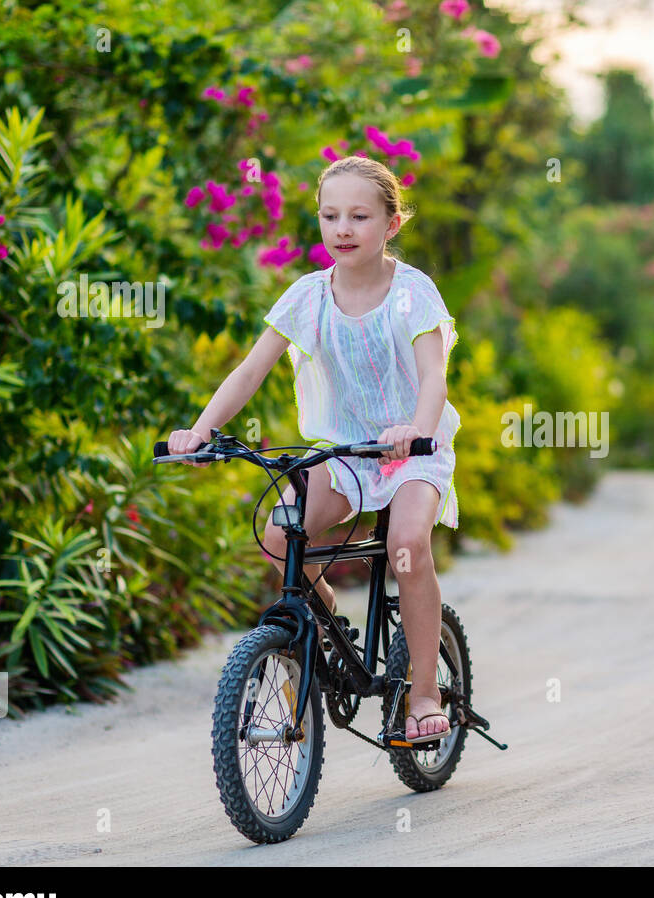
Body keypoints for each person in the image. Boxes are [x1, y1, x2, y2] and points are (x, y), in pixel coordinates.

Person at [165, 156, 461, 741]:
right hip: (347, 452)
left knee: (405, 544)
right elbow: (251, 371)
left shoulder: (412, 293)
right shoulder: (307, 295)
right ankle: (323, 631)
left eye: (359, 216)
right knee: (280, 537)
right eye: (330, 216)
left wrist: (414, 430)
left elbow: (434, 376)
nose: (343, 229)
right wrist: (199, 430)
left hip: (414, 450)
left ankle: (424, 694)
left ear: (391, 224)